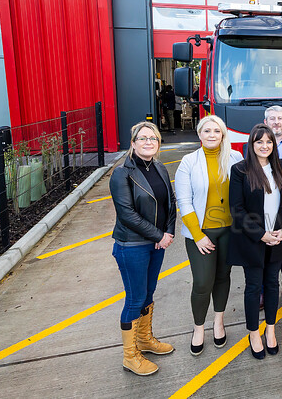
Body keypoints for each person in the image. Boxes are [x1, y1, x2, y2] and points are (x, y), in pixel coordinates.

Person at [109, 121, 176, 376]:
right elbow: (126, 213)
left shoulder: (159, 166)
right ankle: (130, 356)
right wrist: (158, 234)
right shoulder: (122, 173)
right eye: (143, 138)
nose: (149, 142)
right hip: (132, 246)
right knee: (135, 299)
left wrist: (167, 233)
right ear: (133, 143)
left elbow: (171, 202)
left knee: (148, 293)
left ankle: (145, 340)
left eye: (153, 138)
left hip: (156, 244)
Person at [174, 115, 244, 356]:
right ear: (199, 134)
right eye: (207, 131)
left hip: (229, 232)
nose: (212, 135)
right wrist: (198, 235)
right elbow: (184, 202)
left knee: (223, 277)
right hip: (201, 234)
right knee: (203, 283)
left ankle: (219, 322)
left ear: (223, 134)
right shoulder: (188, 162)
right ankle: (198, 328)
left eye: (217, 131)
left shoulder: (235, 158)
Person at [228, 124, 282, 359]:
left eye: (269, 142)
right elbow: (236, 209)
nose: (264, 146)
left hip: (277, 237)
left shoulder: (280, 167)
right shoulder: (240, 171)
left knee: (273, 284)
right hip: (253, 239)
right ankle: (254, 333)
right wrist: (261, 234)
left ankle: (271, 330)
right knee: (254, 287)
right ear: (251, 145)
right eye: (259, 142)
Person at [246, 106, 282, 306]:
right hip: (262, 210)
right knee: (262, 253)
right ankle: (261, 292)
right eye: (272, 119)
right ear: (265, 122)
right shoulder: (250, 148)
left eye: (280, 118)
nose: (276, 122)